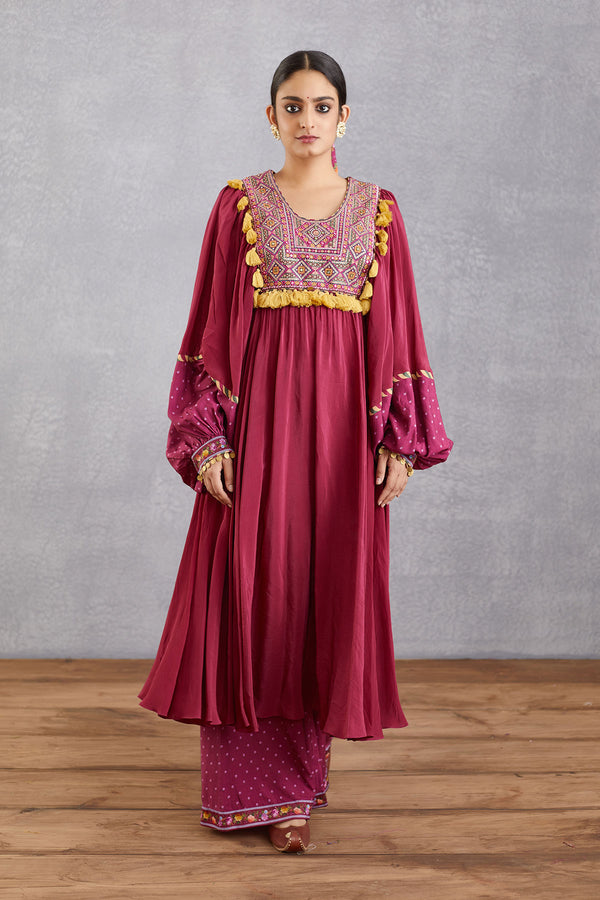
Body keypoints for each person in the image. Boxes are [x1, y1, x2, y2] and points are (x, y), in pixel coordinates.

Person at [139, 49, 453, 854]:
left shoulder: (379, 211)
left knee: (319, 594)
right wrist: (207, 437)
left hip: (343, 437)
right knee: (251, 593)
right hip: (259, 429)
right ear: (270, 116)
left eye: (321, 106)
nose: (306, 119)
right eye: (292, 105)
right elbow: (209, 325)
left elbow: (399, 330)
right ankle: (247, 793)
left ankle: (297, 794)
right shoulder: (238, 206)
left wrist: (400, 441)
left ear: (344, 118)